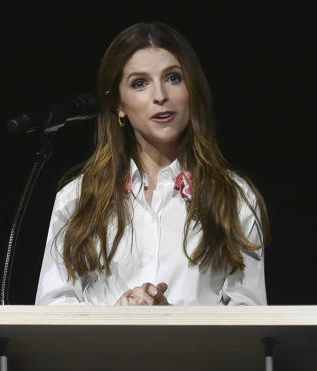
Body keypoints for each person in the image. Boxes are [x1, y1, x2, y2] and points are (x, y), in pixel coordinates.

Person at [35, 22, 269, 306]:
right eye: (140, 83)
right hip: (100, 352)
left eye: (173, 78)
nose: (160, 96)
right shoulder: (77, 199)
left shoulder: (233, 197)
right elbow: (52, 315)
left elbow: (250, 322)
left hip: (198, 353)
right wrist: (114, 320)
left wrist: (170, 323)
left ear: (192, 89)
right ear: (117, 105)